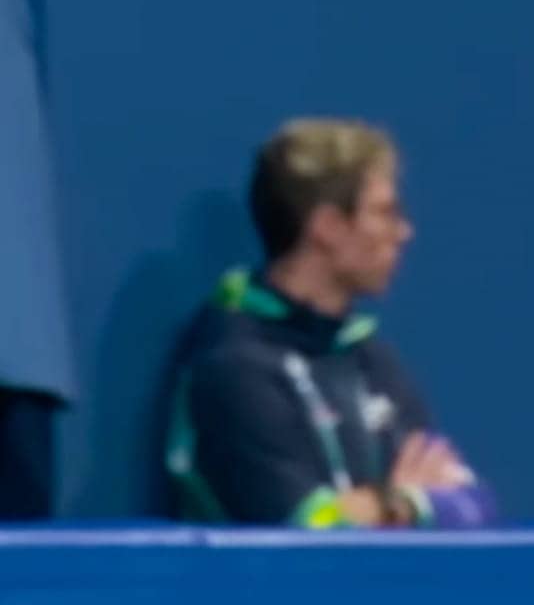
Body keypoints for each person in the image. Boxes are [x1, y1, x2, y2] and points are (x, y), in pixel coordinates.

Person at [163, 119, 493, 528]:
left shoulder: (372, 361)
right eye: (385, 213)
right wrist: (404, 503)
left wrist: (385, 508)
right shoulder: (234, 367)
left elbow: (471, 504)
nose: (404, 232)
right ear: (328, 227)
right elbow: (308, 528)